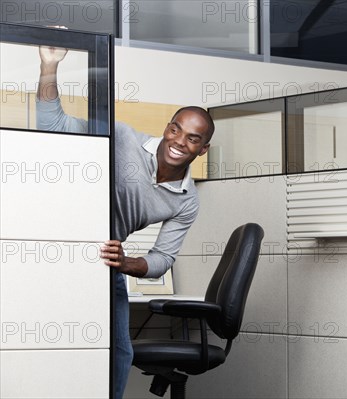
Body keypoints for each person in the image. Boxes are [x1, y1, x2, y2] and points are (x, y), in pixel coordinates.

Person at [36, 45, 214, 399]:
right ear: (168, 128)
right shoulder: (124, 139)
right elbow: (52, 124)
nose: (179, 141)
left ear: (202, 149)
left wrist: (127, 262)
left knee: (119, 354)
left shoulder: (187, 200)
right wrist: (49, 67)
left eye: (193, 138)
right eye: (176, 130)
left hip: (105, 268)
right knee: (47, 349)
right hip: (56, 255)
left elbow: (163, 258)